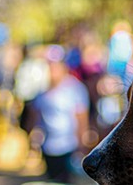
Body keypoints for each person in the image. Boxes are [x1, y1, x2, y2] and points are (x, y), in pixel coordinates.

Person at [29, 45, 90, 183]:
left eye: (56, 65)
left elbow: (82, 119)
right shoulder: (42, 90)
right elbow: (36, 118)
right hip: (49, 148)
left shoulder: (76, 89)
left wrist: (81, 146)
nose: (52, 69)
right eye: (50, 65)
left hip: (69, 147)